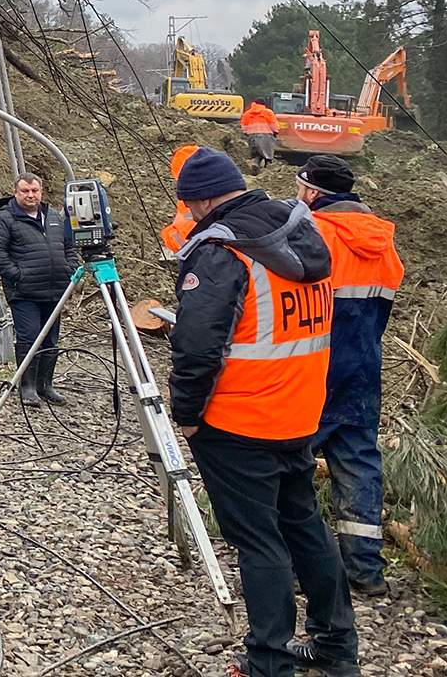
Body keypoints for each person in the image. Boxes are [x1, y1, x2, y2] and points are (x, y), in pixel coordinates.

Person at [169, 147, 357, 677]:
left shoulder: (224, 249)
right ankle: (336, 648)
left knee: (257, 543)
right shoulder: (304, 233)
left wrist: (186, 413)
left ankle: (268, 663)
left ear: (202, 199)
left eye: (188, 207)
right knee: (305, 528)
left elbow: (197, 345)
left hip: (238, 420)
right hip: (298, 414)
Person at [296, 154, 404, 601]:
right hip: (363, 368)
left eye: (300, 187)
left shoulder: (316, 234)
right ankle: (366, 570)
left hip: (314, 368)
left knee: (292, 464)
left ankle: (303, 563)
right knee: (359, 466)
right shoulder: (384, 242)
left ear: (313, 192)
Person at [0, 173, 75, 408]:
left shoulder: (54, 218)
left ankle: (46, 385)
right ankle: (28, 386)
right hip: (24, 292)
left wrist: (70, 270)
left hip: (55, 289)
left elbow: (70, 247)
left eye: (34, 190)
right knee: (29, 337)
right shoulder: (4, 220)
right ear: (16, 192)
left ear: (41, 191)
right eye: (25, 191)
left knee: (51, 339)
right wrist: (17, 275)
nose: (30, 195)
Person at [241, 97, 279, 166]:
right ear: (264, 104)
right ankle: (267, 168)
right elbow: (273, 124)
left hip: (252, 136)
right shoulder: (268, 112)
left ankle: (255, 164)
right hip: (266, 136)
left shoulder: (247, 113)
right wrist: (275, 132)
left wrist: (246, 133)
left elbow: (244, 126)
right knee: (267, 154)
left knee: (255, 154)